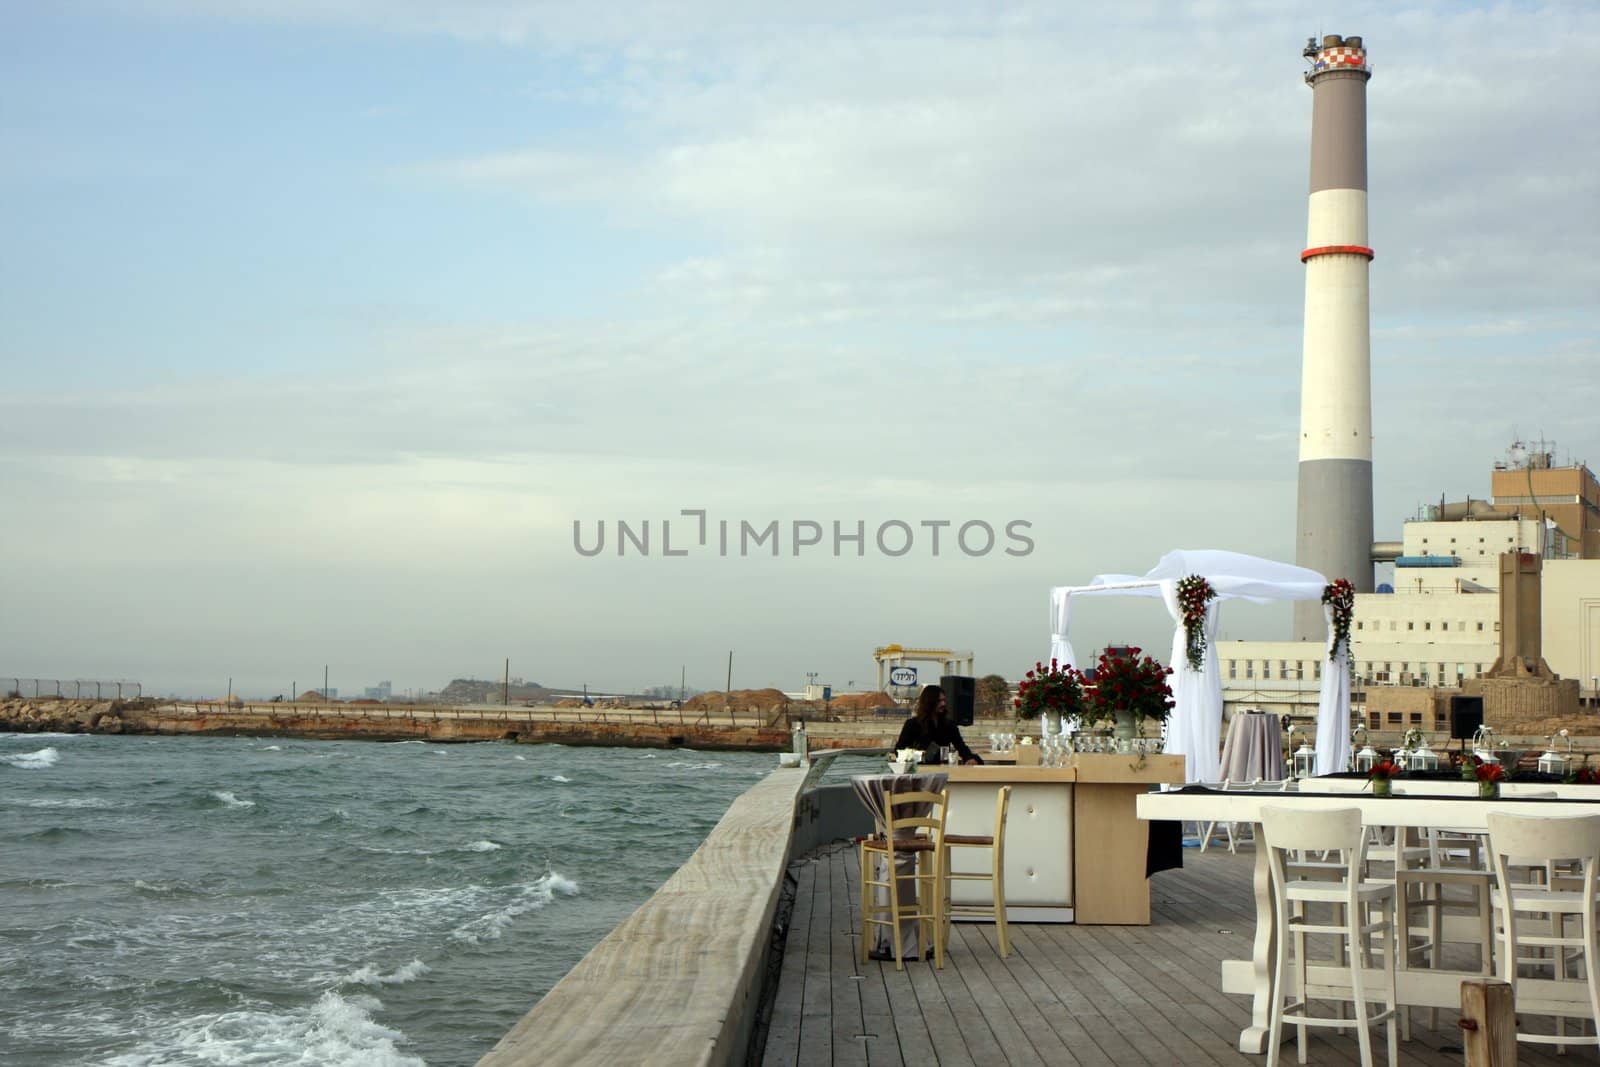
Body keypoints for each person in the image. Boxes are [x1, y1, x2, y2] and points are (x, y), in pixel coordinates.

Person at [892, 685, 983, 765]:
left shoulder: (949, 725)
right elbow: (899, 750)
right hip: (920, 772)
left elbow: (961, 747)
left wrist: (969, 758)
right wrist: (917, 755)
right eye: (939, 701)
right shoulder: (912, 724)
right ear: (929, 702)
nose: (943, 704)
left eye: (944, 700)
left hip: (943, 770)